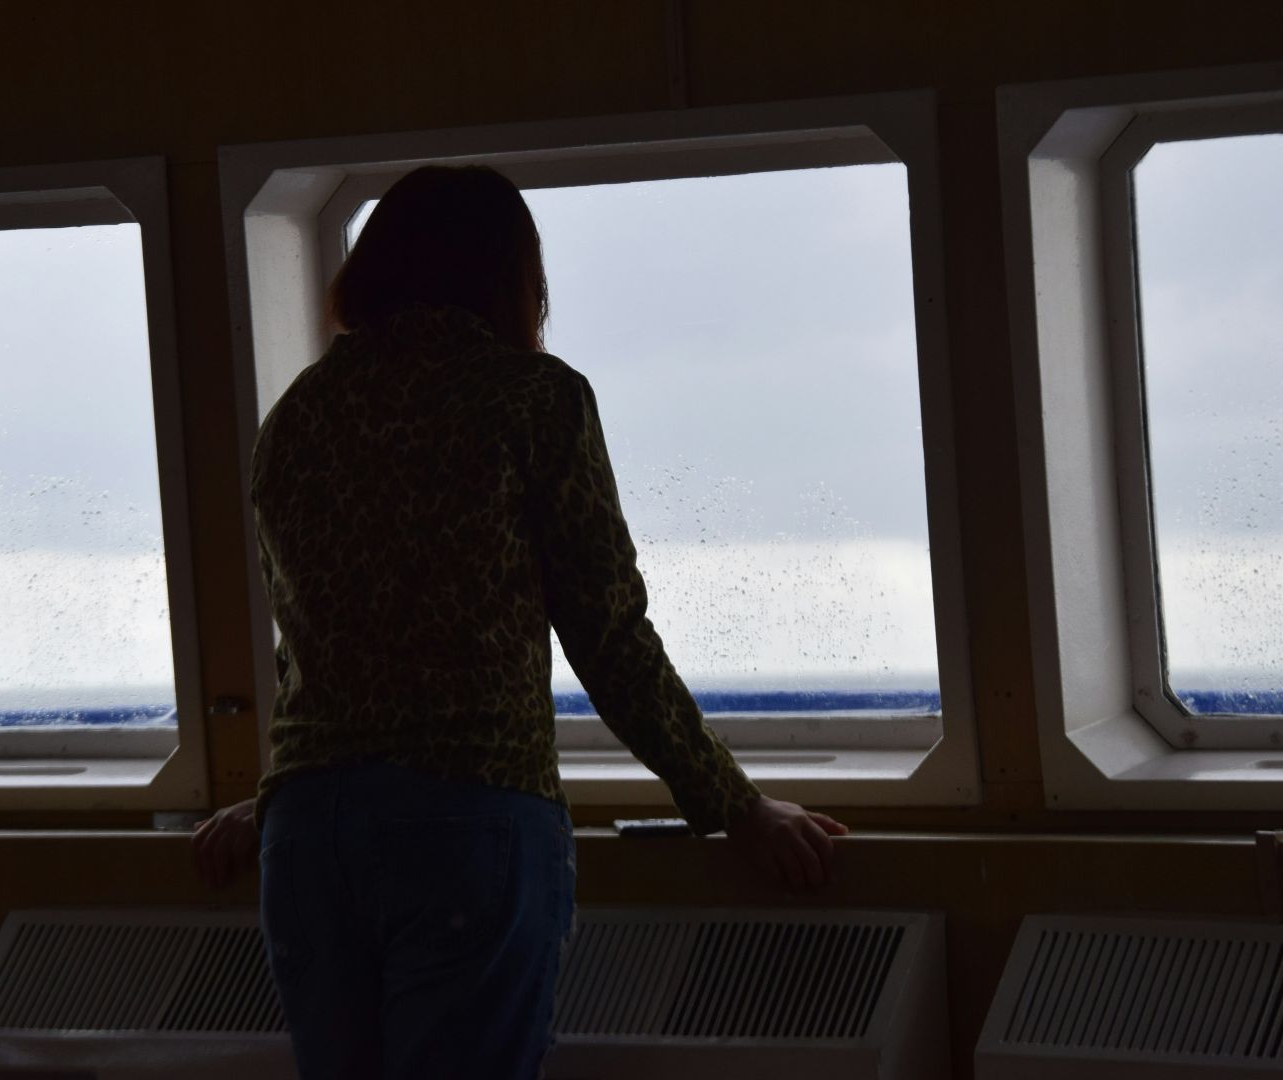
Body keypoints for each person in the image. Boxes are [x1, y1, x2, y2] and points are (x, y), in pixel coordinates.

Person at [192, 164, 848, 1080]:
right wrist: (737, 808)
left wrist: (279, 792)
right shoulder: (533, 401)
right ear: (511, 279)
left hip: (309, 835)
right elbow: (609, 634)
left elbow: (310, 645)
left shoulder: (297, 417)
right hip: (467, 817)